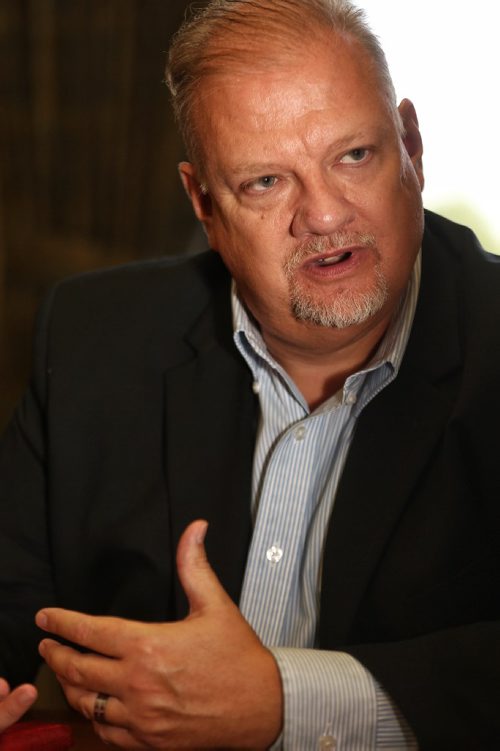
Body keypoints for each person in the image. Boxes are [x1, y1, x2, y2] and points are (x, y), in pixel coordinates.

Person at [0, 0, 499, 748]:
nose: (326, 215)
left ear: (413, 147)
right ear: (203, 201)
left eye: (354, 155)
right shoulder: (93, 334)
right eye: (267, 181)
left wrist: (284, 700)